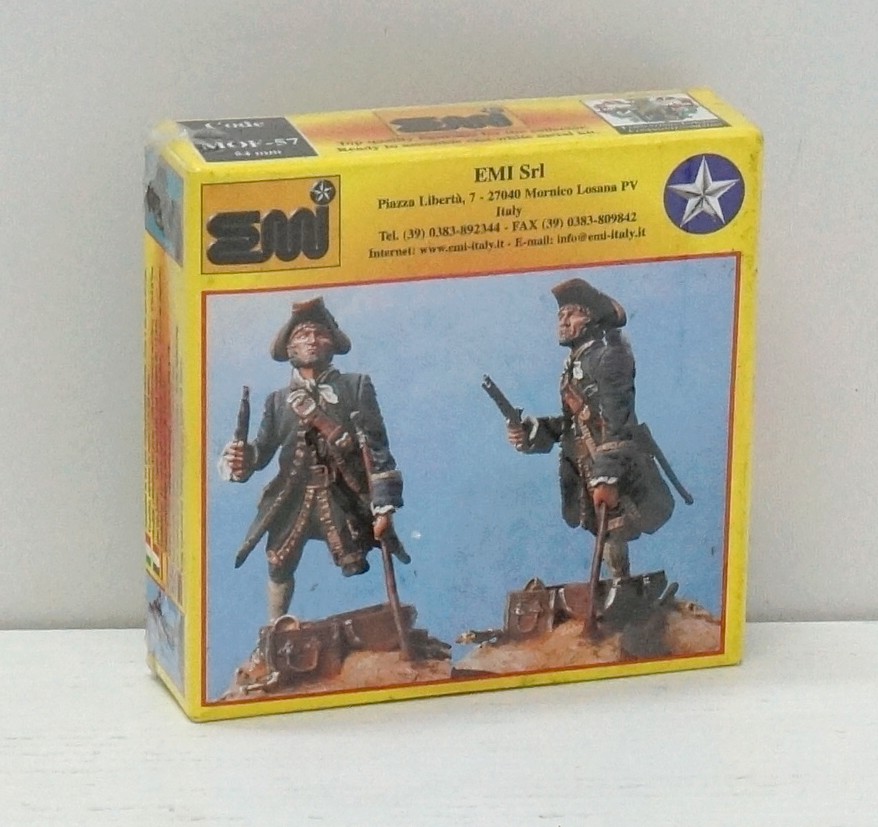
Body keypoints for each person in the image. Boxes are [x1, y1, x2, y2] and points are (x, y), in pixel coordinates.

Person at [219, 297, 405, 620]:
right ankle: (276, 628)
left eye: (320, 334)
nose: (312, 340)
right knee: (278, 562)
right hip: (291, 498)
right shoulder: (277, 402)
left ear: (332, 342)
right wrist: (242, 458)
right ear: (289, 348)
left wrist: (383, 507)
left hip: (343, 496)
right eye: (302, 335)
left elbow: (377, 449)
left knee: (357, 559)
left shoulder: (355, 387)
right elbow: (261, 452)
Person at [506, 278, 676, 581]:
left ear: (591, 319)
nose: (563, 321)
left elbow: (617, 423)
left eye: (571, 314)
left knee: (614, 532)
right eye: (560, 315)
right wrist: (533, 431)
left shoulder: (609, 357)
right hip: (588, 466)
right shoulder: (574, 365)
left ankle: (622, 590)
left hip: (614, 465)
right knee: (605, 534)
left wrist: (606, 477)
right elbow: (573, 425)